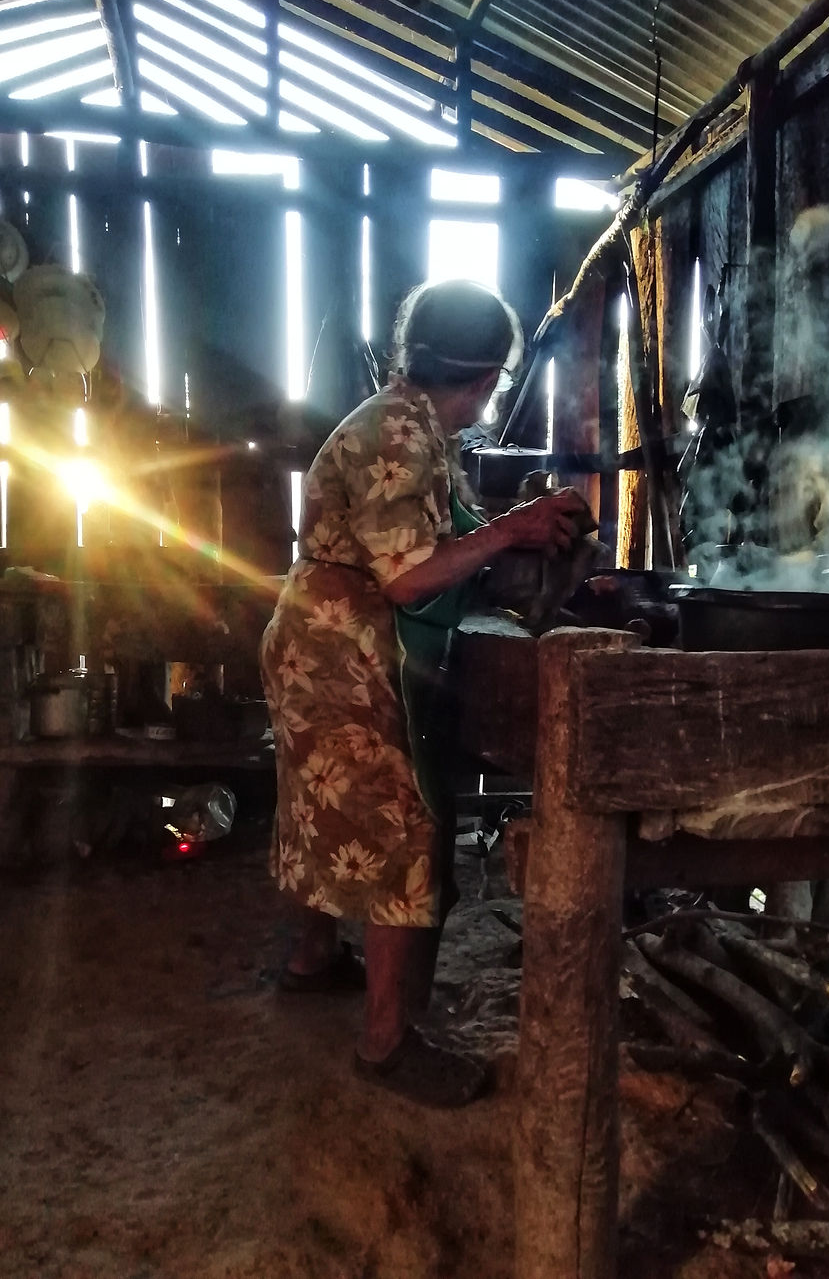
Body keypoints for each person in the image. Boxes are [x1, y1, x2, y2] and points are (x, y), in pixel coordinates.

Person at [260, 279, 586, 1107]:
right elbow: (411, 577)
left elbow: (442, 533)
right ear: (480, 378)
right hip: (340, 651)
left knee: (323, 805)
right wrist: (513, 530)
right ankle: (385, 1042)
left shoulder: (408, 423)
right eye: (496, 383)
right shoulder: (400, 434)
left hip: (318, 642)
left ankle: (312, 960)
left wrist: (516, 518)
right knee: (403, 823)